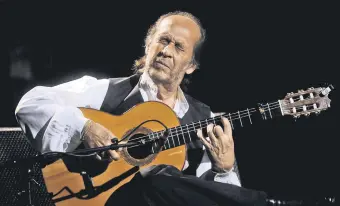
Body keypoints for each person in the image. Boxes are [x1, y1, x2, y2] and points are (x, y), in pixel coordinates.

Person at [14, 11, 270, 206]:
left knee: (159, 177)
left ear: (191, 65)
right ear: (148, 47)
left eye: (178, 47)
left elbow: (214, 198)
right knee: (153, 176)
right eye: (163, 41)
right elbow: (30, 105)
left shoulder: (207, 121)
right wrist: (85, 128)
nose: (166, 52)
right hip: (97, 198)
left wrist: (223, 170)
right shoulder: (105, 91)